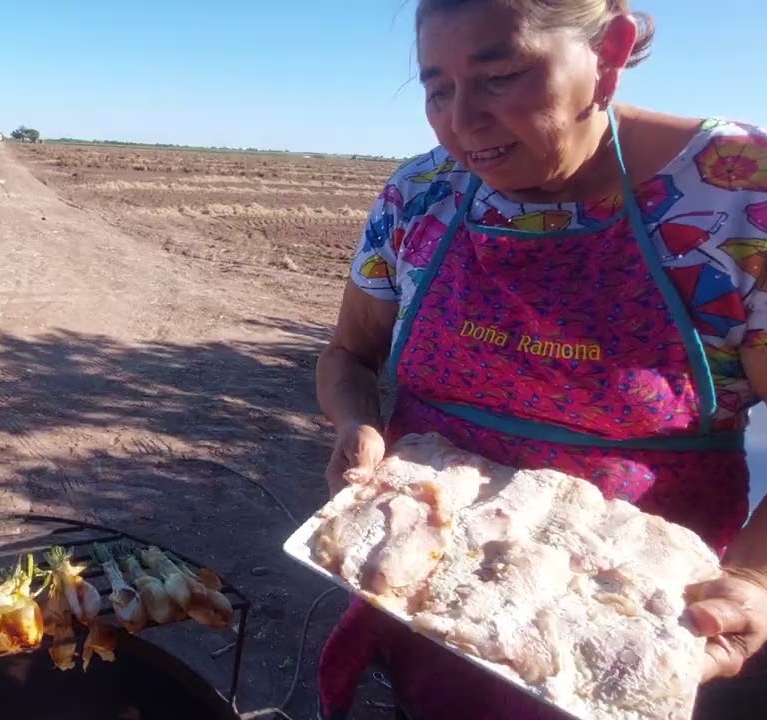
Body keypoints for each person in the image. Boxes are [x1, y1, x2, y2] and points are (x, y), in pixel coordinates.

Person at [313, 1, 767, 718]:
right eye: (436, 88)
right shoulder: (417, 196)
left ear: (610, 53)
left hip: (630, 617)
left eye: (501, 76)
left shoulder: (737, 191)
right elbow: (348, 354)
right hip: (427, 579)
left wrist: (756, 579)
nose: (462, 120)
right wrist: (353, 422)